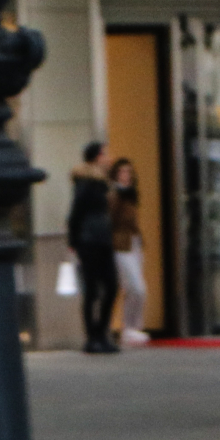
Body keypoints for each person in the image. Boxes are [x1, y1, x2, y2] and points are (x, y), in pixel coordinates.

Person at [68, 141, 119, 353]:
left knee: (111, 286)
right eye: (104, 154)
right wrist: (74, 240)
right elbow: (76, 212)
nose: (108, 158)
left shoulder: (103, 183)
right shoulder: (88, 183)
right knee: (92, 290)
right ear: (97, 157)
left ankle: (100, 333)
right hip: (90, 240)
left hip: (102, 239)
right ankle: (93, 337)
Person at [109, 155, 149, 345]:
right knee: (137, 287)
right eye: (122, 172)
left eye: (128, 172)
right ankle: (130, 328)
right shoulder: (114, 194)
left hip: (133, 243)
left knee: (134, 288)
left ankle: (132, 327)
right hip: (120, 244)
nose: (126, 175)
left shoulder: (132, 194)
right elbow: (112, 219)